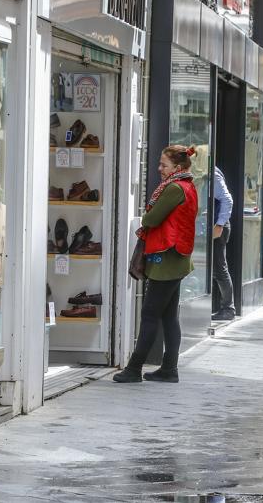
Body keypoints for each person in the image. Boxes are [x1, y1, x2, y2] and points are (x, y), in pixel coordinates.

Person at [113, 145, 200, 384]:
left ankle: (134, 368)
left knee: (150, 315)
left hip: (166, 258)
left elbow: (151, 218)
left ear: (178, 167)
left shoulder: (173, 188)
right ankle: (169, 369)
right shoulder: (188, 186)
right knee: (169, 317)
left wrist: (148, 216)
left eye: (164, 165)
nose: (159, 169)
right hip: (177, 258)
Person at [211, 165, 235, 321]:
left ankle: (228, 308)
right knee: (215, 268)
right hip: (211, 224)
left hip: (217, 226)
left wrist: (219, 225)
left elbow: (227, 200)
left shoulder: (212, 174)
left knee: (220, 268)